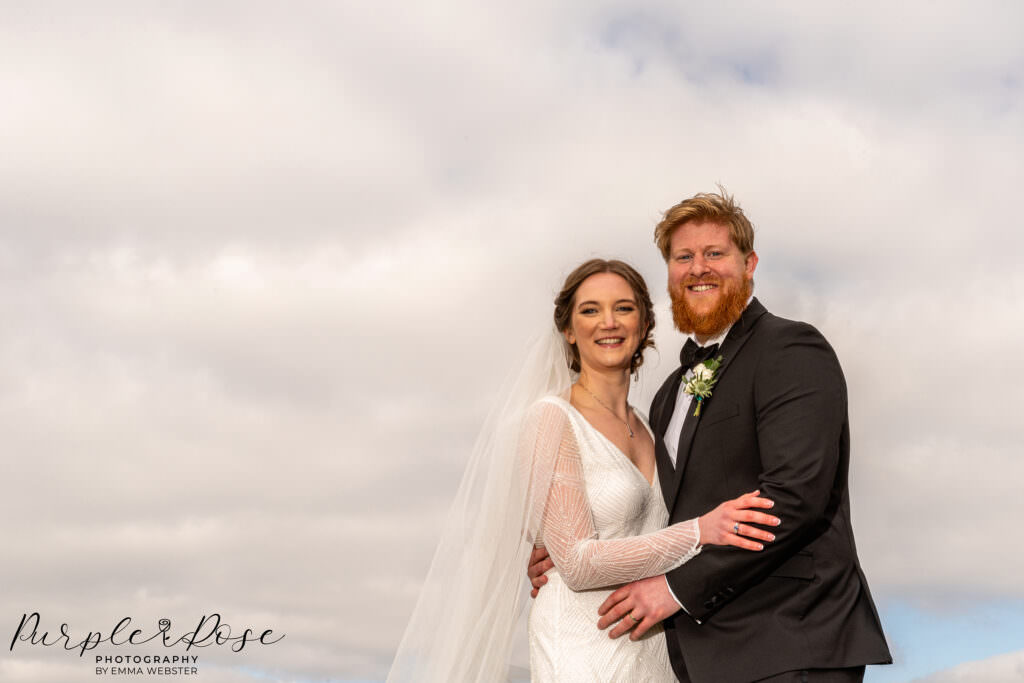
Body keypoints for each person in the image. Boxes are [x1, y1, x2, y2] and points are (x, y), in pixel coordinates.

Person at [530, 188, 893, 682]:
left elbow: (794, 498)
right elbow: (667, 513)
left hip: (790, 640)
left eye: (714, 253)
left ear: (749, 264)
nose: (699, 267)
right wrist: (569, 545)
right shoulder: (665, 398)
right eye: (684, 257)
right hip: (700, 655)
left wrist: (674, 590)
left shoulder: (790, 349)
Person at [387, 258, 779, 683]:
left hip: (654, 654)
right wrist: (702, 531)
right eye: (590, 310)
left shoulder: (653, 426)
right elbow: (575, 563)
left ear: (645, 323)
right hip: (581, 649)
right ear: (569, 331)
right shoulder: (551, 419)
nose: (608, 322)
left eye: (624, 308)